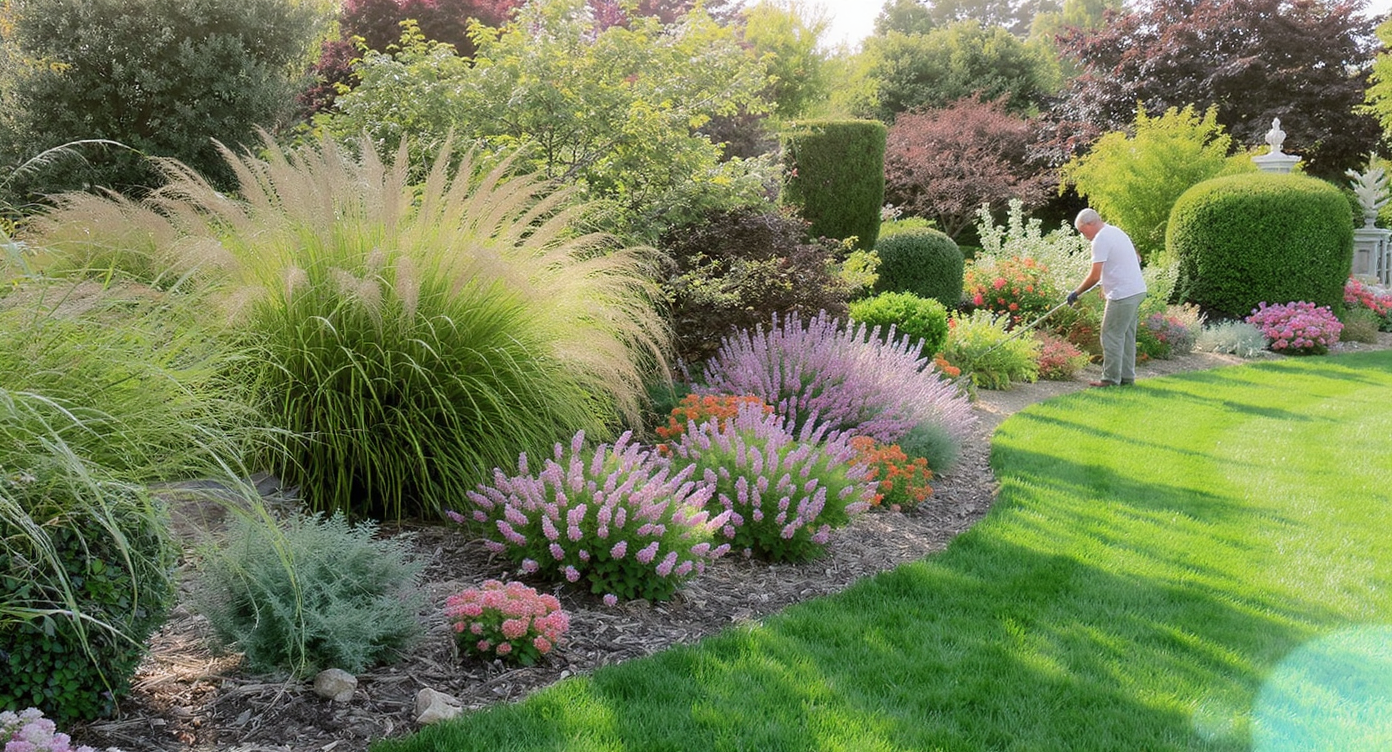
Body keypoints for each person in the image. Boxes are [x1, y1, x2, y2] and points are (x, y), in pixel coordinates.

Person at [1067, 208, 1147, 387]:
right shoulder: (1115, 231)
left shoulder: (1100, 239)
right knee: (1125, 335)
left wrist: (1076, 292)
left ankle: (1110, 380)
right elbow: (1135, 258)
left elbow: (1094, 275)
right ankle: (1126, 378)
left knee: (1110, 334)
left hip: (1123, 294)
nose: (1083, 235)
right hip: (1136, 291)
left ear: (1091, 223)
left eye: (1082, 230)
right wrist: (1105, 284)